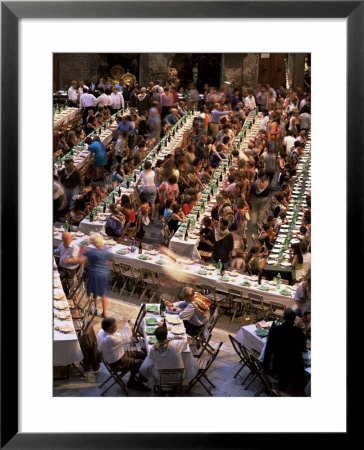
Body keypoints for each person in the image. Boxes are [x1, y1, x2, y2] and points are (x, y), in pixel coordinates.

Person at [97, 317, 150, 392]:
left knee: (143, 354)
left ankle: (138, 377)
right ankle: (135, 383)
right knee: (142, 364)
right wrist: (126, 323)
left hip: (120, 354)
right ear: (109, 329)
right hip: (118, 362)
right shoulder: (110, 339)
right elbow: (127, 338)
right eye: (115, 326)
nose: (117, 327)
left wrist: (128, 328)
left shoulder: (101, 331)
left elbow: (120, 335)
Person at [262, 308, 306, 393]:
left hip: (278, 366)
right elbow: (302, 349)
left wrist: (265, 367)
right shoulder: (299, 333)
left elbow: (268, 350)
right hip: (294, 369)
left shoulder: (274, 330)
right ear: (294, 319)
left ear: (284, 318)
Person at [72, 233, 113, 318]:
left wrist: (80, 252)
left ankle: (93, 309)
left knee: (93, 293)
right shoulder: (107, 250)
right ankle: (105, 312)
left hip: (94, 274)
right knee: (103, 293)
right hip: (104, 273)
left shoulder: (91, 252)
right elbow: (110, 262)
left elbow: (80, 260)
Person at [57, 232, 80, 297]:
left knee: (56, 277)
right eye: (65, 238)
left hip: (68, 270)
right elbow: (58, 252)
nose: (68, 239)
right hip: (61, 267)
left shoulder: (74, 247)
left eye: (69, 237)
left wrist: (68, 260)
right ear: (62, 239)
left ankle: (62, 295)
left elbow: (76, 261)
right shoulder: (62, 245)